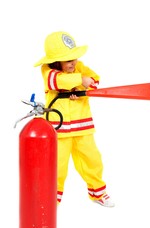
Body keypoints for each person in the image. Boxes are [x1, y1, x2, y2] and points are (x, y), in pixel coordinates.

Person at [34, 31, 114, 207]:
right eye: (68, 60)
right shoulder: (48, 71)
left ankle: (97, 192)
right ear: (56, 61)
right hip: (59, 130)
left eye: (74, 58)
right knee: (57, 166)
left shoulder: (80, 67)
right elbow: (57, 81)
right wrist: (79, 80)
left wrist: (82, 86)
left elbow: (94, 82)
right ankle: (51, 199)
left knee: (92, 160)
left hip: (83, 126)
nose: (74, 63)